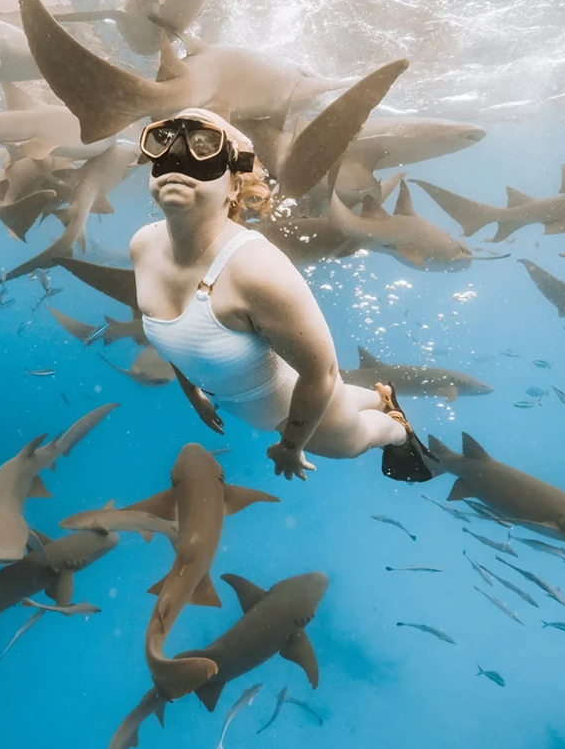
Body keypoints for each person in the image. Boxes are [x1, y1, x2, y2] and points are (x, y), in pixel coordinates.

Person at [130, 107, 436, 483]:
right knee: (341, 399)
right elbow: (174, 333)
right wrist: (192, 392)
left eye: (204, 146)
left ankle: (397, 429)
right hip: (247, 395)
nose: (178, 158)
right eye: (164, 143)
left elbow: (321, 373)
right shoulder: (143, 245)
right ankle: (380, 396)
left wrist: (291, 445)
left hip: (293, 404)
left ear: (233, 185)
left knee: (350, 442)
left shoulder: (257, 270)